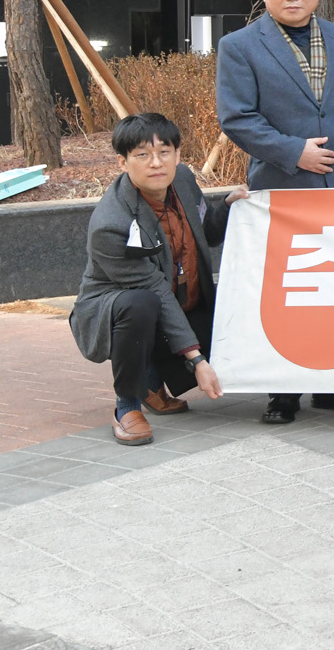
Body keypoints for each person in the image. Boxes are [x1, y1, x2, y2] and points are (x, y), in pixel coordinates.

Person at [216, 0, 334, 424]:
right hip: (281, 187)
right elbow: (237, 118)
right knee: (287, 290)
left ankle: (333, 387)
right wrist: (293, 151)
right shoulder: (239, 46)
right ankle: (282, 392)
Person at [70, 114, 244, 445]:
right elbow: (153, 290)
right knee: (140, 304)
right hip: (118, 310)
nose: (156, 163)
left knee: (238, 303)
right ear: (122, 162)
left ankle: (151, 381)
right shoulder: (111, 224)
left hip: (178, 298)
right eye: (142, 155)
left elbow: (205, 233)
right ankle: (127, 405)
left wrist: (228, 205)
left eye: (164, 152)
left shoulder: (182, 180)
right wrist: (197, 360)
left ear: (177, 155)